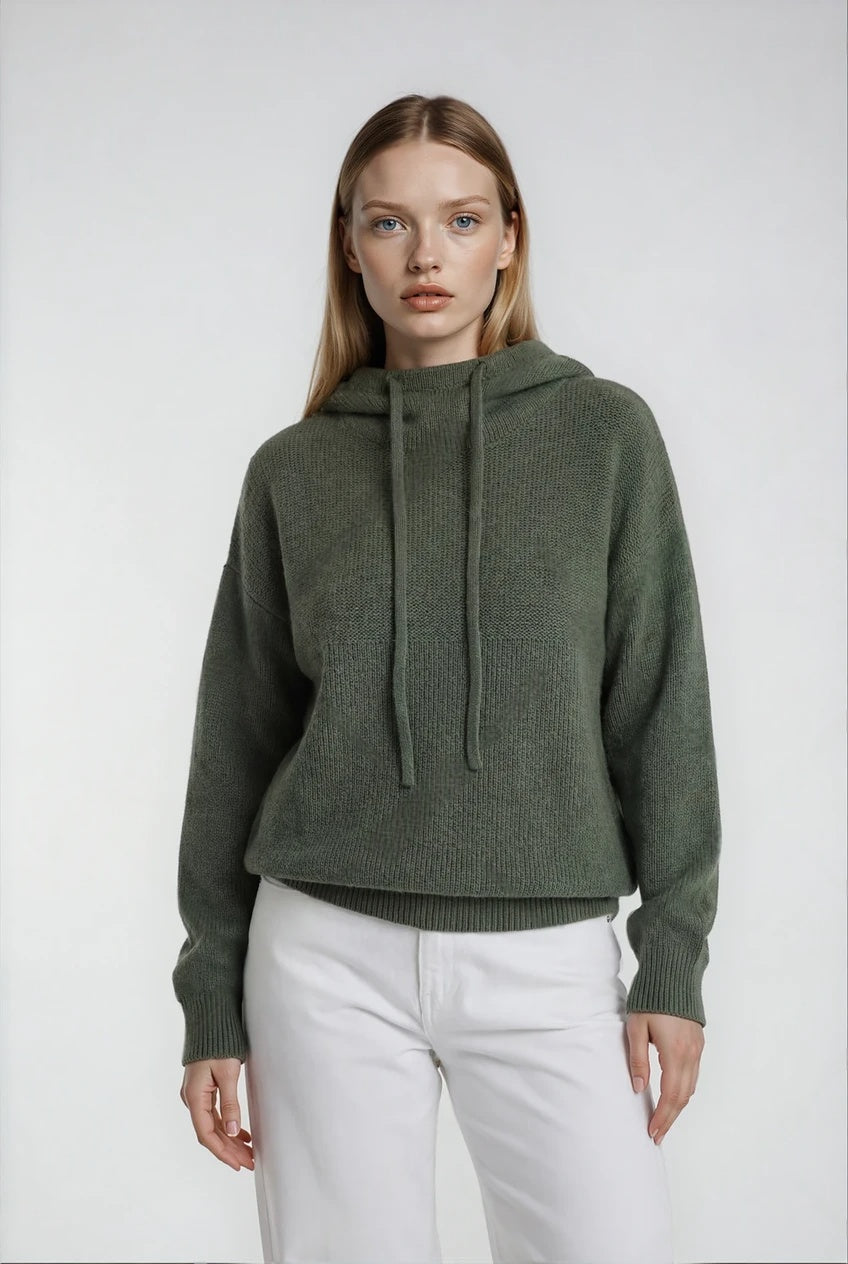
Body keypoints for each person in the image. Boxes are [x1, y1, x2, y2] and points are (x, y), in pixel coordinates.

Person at [173, 92, 722, 1264]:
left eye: (460, 220)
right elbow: (236, 742)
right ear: (349, 245)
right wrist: (209, 992)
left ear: (508, 237)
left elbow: (660, 703)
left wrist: (671, 957)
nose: (425, 256)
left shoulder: (603, 437)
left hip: (548, 952)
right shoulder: (292, 471)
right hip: (321, 953)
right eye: (389, 223)